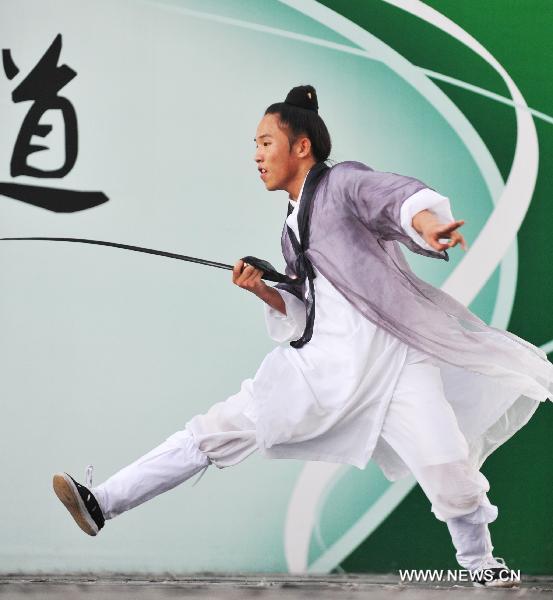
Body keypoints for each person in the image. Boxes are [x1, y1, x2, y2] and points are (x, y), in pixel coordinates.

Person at [53, 85, 552, 588]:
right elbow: (305, 310)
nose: (256, 155)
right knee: (215, 430)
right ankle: (104, 503)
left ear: (302, 147)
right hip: (320, 369)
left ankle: (480, 562)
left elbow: (395, 198)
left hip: (395, 366)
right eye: (255, 144)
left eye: (265, 142)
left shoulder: (344, 182)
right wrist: (263, 290)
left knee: (450, 472)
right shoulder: (291, 228)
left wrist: (430, 224)